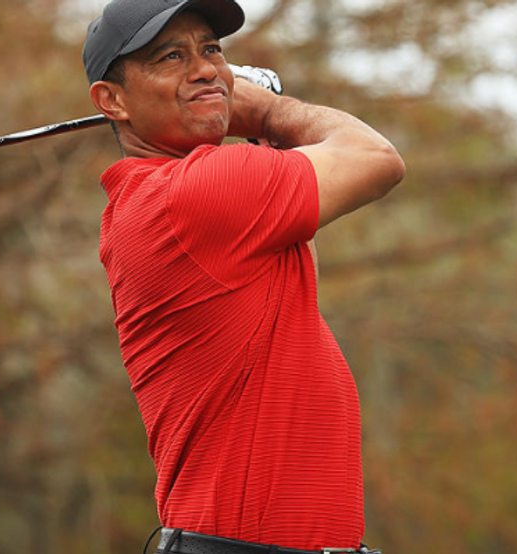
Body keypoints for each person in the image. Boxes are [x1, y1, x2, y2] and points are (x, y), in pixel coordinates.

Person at [82, 1, 406, 553]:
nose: (205, 69)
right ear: (113, 101)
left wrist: (252, 130)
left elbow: (293, 270)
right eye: (171, 57)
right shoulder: (191, 194)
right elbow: (377, 158)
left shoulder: (160, 200)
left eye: (211, 50)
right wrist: (268, 111)